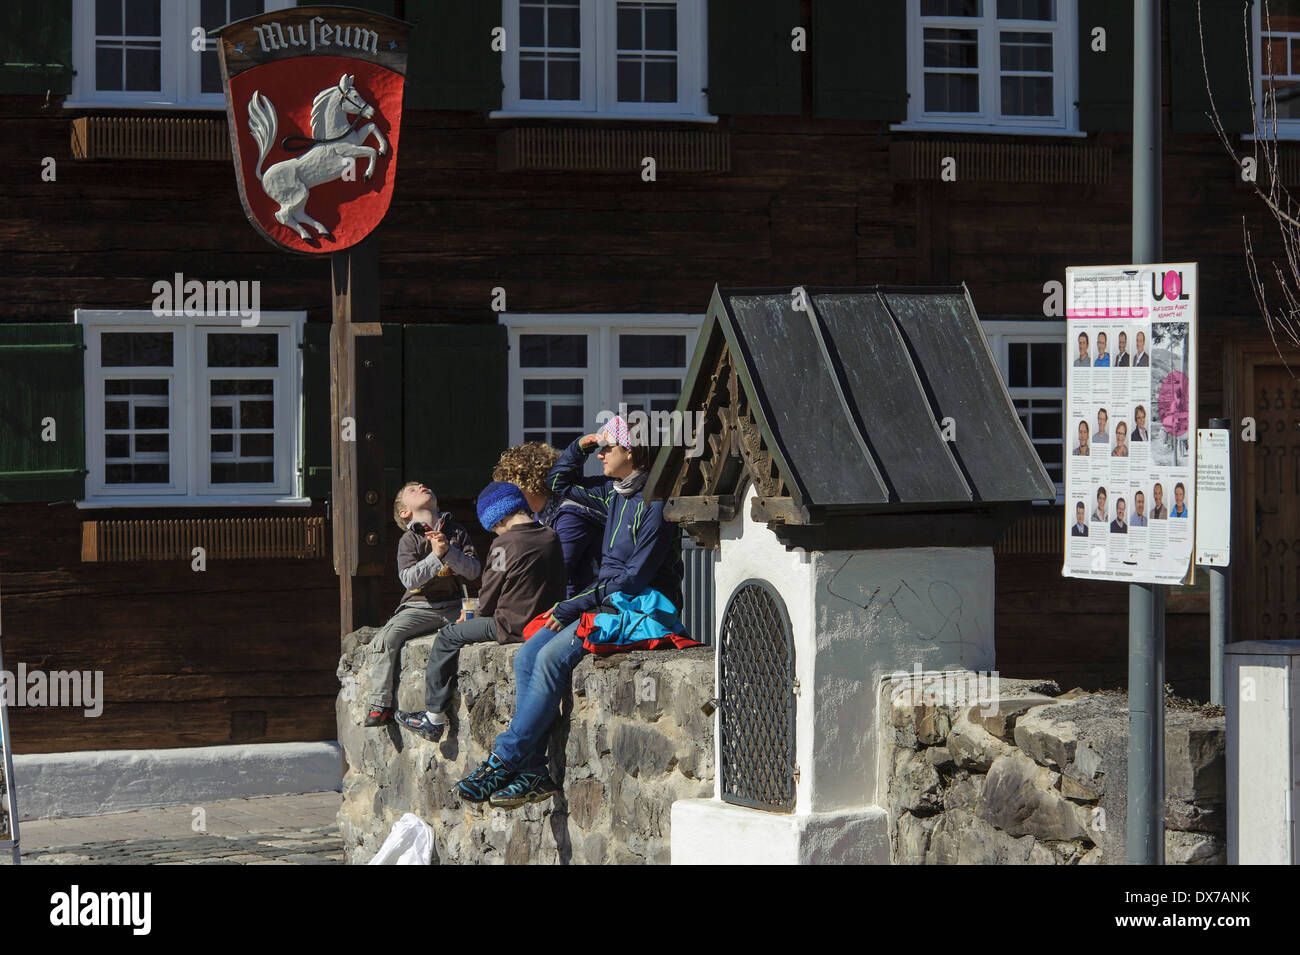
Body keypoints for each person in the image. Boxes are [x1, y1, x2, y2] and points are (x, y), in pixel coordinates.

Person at [452, 415, 684, 809]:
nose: (602, 455)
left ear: (631, 450)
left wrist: (571, 605)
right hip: (602, 601)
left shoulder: (655, 505)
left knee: (550, 658)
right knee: (528, 654)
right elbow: (558, 484)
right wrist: (581, 446)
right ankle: (534, 772)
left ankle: (505, 758)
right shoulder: (614, 493)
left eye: (608, 448)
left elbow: (633, 578)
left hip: (637, 607)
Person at [395, 482, 566, 745]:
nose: (495, 532)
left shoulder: (503, 544)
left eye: (493, 527)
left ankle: (433, 715)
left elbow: (487, 598)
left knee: (448, 636)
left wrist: (475, 613)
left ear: (497, 517)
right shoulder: (550, 535)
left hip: (509, 625)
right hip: (544, 625)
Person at [364, 483, 480, 727]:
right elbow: (408, 579)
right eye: (413, 490)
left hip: (454, 606)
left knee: (479, 630)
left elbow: (473, 571)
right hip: (419, 608)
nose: (421, 487)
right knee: (387, 637)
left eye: (423, 486)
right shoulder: (409, 539)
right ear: (405, 512)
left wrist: (449, 553)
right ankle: (380, 702)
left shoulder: (456, 531)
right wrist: (436, 556)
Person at [491, 442, 603, 599]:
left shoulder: (571, 515)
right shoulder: (542, 513)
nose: (511, 499)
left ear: (531, 485)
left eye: (513, 491)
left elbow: (554, 574)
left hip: (585, 605)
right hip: (559, 602)